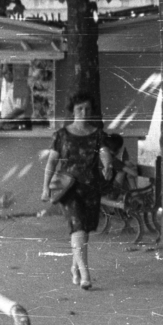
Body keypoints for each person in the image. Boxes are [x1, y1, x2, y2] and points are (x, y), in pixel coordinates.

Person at [41, 92, 117, 290]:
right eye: (79, 109)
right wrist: (45, 188)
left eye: (87, 109)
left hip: (91, 187)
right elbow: (51, 161)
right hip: (68, 188)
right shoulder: (62, 135)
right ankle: (85, 274)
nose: (83, 112)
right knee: (78, 226)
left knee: (85, 230)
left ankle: (75, 267)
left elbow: (104, 153)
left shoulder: (98, 134)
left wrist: (107, 165)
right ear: (73, 111)